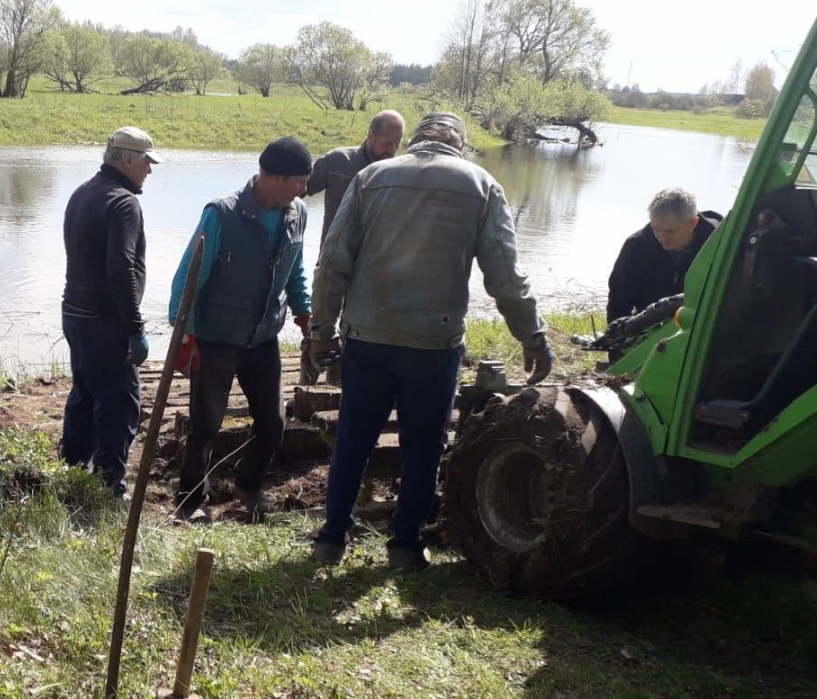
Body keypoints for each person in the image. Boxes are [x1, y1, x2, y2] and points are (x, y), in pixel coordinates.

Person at [308, 112, 554, 569]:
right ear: (459, 145)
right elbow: (505, 276)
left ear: (415, 141)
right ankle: (403, 546)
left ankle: (331, 538)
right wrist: (532, 337)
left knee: (354, 440)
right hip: (434, 345)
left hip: (368, 337)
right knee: (424, 444)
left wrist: (321, 332)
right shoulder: (482, 186)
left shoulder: (371, 177)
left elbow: (331, 262)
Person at [167, 136, 312, 523]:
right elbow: (188, 278)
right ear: (274, 177)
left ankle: (248, 483)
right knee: (206, 424)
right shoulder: (222, 213)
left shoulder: (297, 212)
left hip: (263, 337)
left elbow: (294, 268)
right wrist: (186, 333)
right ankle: (191, 500)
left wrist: (304, 313)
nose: (305, 189)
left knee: (273, 422)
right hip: (216, 339)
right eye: (299, 181)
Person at [59, 126, 160, 496]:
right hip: (106, 320)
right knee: (120, 401)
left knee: (85, 391)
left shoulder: (81, 193)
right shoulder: (124, 203)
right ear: (128, 160)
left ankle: (71, 466)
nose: (149, 170)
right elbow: (121, 269)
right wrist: (135, 327)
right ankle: (107, 483)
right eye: (147, 162)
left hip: (75, 312)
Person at [299, 110, 406, 384]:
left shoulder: (398, 172)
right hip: (333, 261)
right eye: (386, 143)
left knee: (355, 329)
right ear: (371, 135)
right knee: (321, 321)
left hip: (372, 266)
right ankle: (307, 381)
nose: (391, 150)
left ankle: (337, 384)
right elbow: (298, 188)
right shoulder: (338, 161)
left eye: (397, 144)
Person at [606, 188, 722, 322]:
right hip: (649, 328)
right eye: (656, 229)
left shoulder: (719, 244)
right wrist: (616, 338)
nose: (662, 238)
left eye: (669, 232)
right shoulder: (636, 246)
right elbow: (619, 298)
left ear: (693, 223)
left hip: (700, 327)